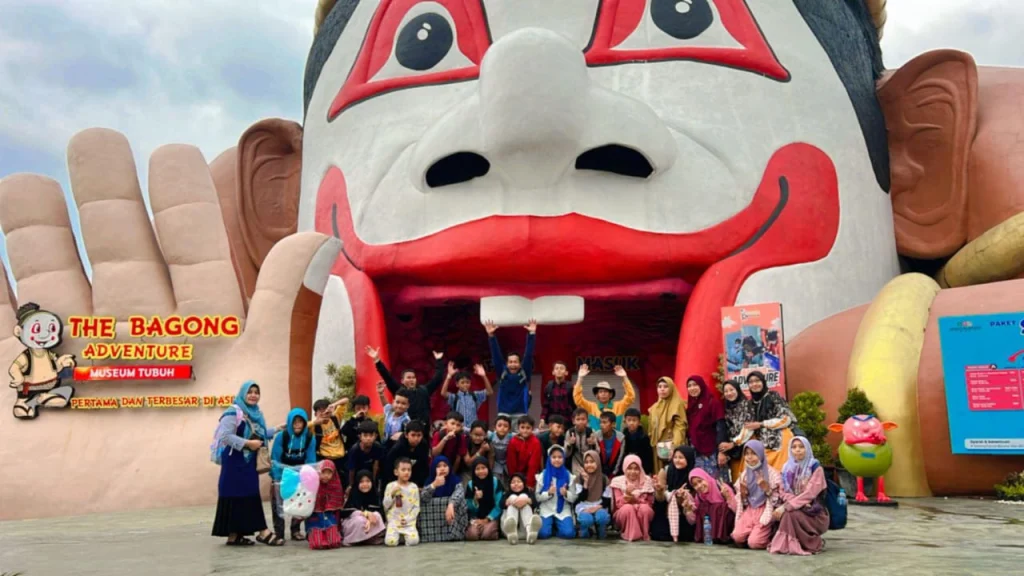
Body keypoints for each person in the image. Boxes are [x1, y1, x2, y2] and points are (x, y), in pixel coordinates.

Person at [211, 381, 283, 546]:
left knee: (245, 495)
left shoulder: (254, 413)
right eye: (250, 392)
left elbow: (260, 434)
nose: (253, 395)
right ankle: (263, 532)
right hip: (235, 464)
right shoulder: (233, 412)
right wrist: (248, 444)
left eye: (256, 392)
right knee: (244, 494)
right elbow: (225, 436)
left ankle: (234, 535)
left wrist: (277, 429)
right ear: (243, 393)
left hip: (247, 463)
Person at [769, 436, 830, 555]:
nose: (798, 450)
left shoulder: (815, 468)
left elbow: (811, 493)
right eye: (794, 447)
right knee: (788, 514)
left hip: (814, 512)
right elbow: (783, 491)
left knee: (789, 514)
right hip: (797, 507)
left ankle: (812, 543)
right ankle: (791, 544)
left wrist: (787, 506)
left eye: (801, 447)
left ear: (807, 449)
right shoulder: (787, 468)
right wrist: (791, 504)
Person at [366, 346, 446, 426]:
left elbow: (438, 378)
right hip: (405, 430)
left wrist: (439, 360)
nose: (411, 379)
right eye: (408, 377)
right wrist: (377, 361)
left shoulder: (424, 390)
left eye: (413, 377)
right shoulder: (399, 391)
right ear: (402, 381)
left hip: (423, 430)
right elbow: (387, 377)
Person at [270, 407, 317, 541]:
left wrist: (307, 478)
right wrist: (277, 479)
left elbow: (311, 459)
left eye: (300, 421)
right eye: (294, 422)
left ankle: (295, 530)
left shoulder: (309, 437)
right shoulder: (282, 437)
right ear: (290, 422)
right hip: (282, 474)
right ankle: (279, 532)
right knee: (277, 503)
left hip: (300, 474)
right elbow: (275, 458)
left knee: (301, 502)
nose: (297, 424)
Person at [485, 318, 537, 428]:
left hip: (521, 413)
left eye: (515, 362)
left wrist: (532, 333)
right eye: (510, 362)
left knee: (519, 440)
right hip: (503, 413)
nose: (513, 364)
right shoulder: (502, 373)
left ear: (520, 363)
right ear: (507, 363)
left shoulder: (524, 373)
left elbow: (528, 355)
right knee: (503, 442)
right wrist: (491, 336)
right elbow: (496, 355)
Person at [731, 440, 782, 550]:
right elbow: (744, 502)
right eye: (747, 453)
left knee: (754, 543)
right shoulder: (745, 474)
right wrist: (744, 493)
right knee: (737, 537)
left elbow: (777, 501)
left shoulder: (772, 473)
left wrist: (767, 489)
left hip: (765, 510)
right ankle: (753, 533)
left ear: (760, 454)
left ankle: (768, 535)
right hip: (750, 510)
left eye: (754, 453)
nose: (750, 457)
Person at [746, 370, 798, 470]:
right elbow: (748, 426)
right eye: (751, 382)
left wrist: (762, 424)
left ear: (763, 382)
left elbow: (786, 419)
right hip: (760, 446)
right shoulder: (749, 404)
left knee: (780, 475)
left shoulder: (773, 396)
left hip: (779, 442)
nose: (754, 384)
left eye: (757, 380)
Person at [418, 456, 468, 543]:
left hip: (450, 520)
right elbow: (423, 498)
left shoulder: (455, 480)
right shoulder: (429, 480)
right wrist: (434, 485)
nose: (442, 468)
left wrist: (451, 504)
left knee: (460, 502)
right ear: (434, 468)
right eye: (438, 466)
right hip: (432, 524)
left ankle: (455, 534)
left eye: (445, 465)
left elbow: (459, 492)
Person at [652, 445, 696, 543]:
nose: (677, 460)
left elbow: (695, 498)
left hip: (686, 511)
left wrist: (683, 497)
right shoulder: (665, 471)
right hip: (667, 510)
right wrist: (660, 491)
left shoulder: (693, 474)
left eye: (681, 458)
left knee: (686, 536)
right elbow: (660, 499)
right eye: (675, 457)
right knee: (661, 534)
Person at [685, 375, 726, 478]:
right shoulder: (690, 406)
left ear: (701, 386)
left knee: (715, 481)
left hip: (711, 450)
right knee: (700, 480)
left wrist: (722, 452)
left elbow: (720, 427)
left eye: (695, 385)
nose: (692, 388)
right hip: (696, 450)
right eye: (689, 386)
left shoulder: (712, 402)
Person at [573, 364, 636, 430]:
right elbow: (578, 399)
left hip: (615, 439)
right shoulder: (591, 407)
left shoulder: (619, 406)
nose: (603, 394)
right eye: (600, 392)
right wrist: (580, 378)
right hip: (596, 439)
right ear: (597, 395)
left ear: (610, 395)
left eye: (606, 391)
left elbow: (631, 397)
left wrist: (625, 377)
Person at [535, 445, 578, 539]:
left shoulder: (568, 475)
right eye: (554, 457)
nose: (557, 460)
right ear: (549, 459)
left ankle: (556, 529)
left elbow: (574, 498)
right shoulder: (543, 475)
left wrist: (566, 493)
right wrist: (549, 493)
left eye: (560, 457)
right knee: (543, 534)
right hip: (546, 509)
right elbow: (537, 497)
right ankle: (551, 527)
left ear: (563, 458)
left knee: (569, 534)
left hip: (563, 510)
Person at [610, 454, 655, 542]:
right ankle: (631, 535)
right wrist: (626, 494)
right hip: (623, 512)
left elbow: (650, 503)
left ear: (640, 469)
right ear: (624, 468)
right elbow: (618, 504)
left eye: (636, 468)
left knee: (645, 508)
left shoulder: (647, 480)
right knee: (628, 508)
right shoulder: (617, 481)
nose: (633, 471)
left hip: (642, 509)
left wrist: (636, 501)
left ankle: (645, 535)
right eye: (629, 468)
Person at [686, 468, 736, 544]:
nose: (699, 486)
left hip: (726, 532)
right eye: (695, 485)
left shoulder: (721, 487)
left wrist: (728, 498)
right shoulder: (699, 496)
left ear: (706, 477)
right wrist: (689, 511)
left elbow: (737, 510)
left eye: (700, 481)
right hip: (708, 537)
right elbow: (693, 521)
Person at [649, 376, 687, 473]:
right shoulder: (655, 407)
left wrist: (674, 448)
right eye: (659, 386)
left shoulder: (677, 404)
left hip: (672, 446)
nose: (662, 389)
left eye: (665, 386)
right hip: (658, 448)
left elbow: (680, 427)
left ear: (671, 388)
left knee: (673, 472)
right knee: (660, 475)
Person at [720, 381, 755, 481]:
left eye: (731, 390)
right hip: (733, 452)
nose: (729, 393)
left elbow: (748, 428)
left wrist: (734, 443)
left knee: (749, 478)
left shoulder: (747, 405)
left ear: (738, 390)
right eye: (726, 391)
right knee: (737, 480)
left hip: (746, 447)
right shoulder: (726, 408)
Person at [339, 469, 386, 546]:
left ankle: (367, 538)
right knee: (359, 520)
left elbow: (381, 513)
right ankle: (353, 540)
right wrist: (365, 514)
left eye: (368, 481)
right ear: (357, 483)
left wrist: (370, 519)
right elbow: (346, 512)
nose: (365, 484)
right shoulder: (353, 495)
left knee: (377, 516)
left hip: (368, 524)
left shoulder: (375, 495)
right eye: (361, 482)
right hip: (353, 524)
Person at [311, 397, 349, 487]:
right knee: (325, 485)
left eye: (325, 409)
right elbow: (303, 426)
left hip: (340, 458)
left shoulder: (335, 418)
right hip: (325, 459)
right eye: (320, 411)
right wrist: (316, 422)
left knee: (341, 484)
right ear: (315, 413)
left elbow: (346, 400)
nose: (324, 412)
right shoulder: (314, 426)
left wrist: (333, 405)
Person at [307, 460, 344, 550]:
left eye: (329, 473)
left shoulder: (336, 486)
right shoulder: (313, 486)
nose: (326, 476)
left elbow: (337, 508)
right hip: (315, 518)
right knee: (318, 544)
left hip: (330, 518)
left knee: (334, 542)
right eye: (323, 472)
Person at [383, 458, 421, 547]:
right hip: (394, 520)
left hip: (408, 522)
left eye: (409, 470)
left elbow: (416, 507)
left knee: (413, 541)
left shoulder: (414, 487)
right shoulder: (390, 486)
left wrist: (408, 519)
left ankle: (403, 537)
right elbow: (385, 505)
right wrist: (391, 494)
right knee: (390, 542)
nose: (406, 472)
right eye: (403, 470)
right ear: (396, 472)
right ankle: (396, 536)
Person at [574, 450, 611, 539]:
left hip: (599, 505)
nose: (589, 465)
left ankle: (601, 531)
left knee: (602, 517)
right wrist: (586, 482)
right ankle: (584, 532)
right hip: (584, 505)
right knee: (586, 519)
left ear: (597, 462)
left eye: (592, 462)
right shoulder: (579, 478)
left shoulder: (604, 479)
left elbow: (607, 500)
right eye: (586, 462)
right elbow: (580, 498)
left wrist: (596, 508)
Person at [382, 420, 430, 487]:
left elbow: (424, 467)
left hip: (414, 481)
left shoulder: (424, 445)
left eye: (419, 435)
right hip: (395, 481)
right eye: (413, 435)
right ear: (406, 435)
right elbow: (388, 469)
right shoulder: (397, 448)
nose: (416, 438)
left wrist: (419, 485)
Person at [466, 457, 504, 541]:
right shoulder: (470, 485)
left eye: (483, 468)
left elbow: (499, 505)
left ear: (488, 468)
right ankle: (480, 529)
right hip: (476, 518)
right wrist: (475, 499)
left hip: (492, 517)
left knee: (487, 534)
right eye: (477, 469)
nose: (481, 471)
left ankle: (489, 529)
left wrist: (487, 519)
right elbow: (468, 506)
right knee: (472, 535)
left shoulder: (495, 482)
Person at [501, 473, 541, 545]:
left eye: (519, 481)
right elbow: (501, 505)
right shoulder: (506, 494)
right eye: (513, 482)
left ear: (524, 483)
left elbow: (536, 504)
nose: (516, 484)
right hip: (508, 532)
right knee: (512, 497)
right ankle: (512, 531)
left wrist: (526, 500)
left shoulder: (529, 492)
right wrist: (510, 501)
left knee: (524, 498)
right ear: (509, 485)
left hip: (525, 532)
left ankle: (530, 532)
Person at [507, 415, 544, 489]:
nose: (525, 430)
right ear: (518, 428)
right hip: (516, 475)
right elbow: (511, 463)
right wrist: (514, 480)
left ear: (532, 428)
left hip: (530, 476)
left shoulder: (535, 442)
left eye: (528, 428)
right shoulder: (513, 441)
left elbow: (533, 464)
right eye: (522, 427)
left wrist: (530, 483)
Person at [347, 420, 385, 490]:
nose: (368, 438)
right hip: (357, 475)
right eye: (365, 435)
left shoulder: (377, 447)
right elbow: (352, 470)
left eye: (371, 435)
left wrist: (373, 481)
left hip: (370, 474)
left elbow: (376, 465)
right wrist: (350, 485)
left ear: (375, 436)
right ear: (360, 436)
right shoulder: (354, 450)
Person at [431, 411, 469, 475]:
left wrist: (452, 474)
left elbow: (458, 458)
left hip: (452, 467)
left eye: (458, 425)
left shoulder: (461, 438)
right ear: (446, 424)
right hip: (437, 467)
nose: (455, 427)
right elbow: (435, 453)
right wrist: (445, 438)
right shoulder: (438, 434)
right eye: (452, 423)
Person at [540, 361, 576, 428]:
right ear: (553, 372)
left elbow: (575, 405)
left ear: (566, 372)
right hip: (553, 421)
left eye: (561, 368)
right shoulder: (549, 387)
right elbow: (545, 406)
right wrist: (542, 419)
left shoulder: (571, 386)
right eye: (556, 368)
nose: (559, 370)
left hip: (568, 421)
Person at [375, 381, 411, 450]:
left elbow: (408, 435)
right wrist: (381, 394)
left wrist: (402, 435)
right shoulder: (390, 412)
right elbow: (385, 405)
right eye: (397, 402)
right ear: (393, 401)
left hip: (395, 448)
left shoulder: (406, 420)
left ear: (408, 406)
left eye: (403, 403)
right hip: (384, 445)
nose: (399, 406)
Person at [621, 407, 654, 475]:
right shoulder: (622, 437)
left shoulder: (644, 438)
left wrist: (647, 471)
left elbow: (648, 457)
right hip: (627, 470)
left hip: (641, 470)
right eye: (629, 420)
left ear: (639, 422)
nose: (631, 423)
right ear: (625, 421)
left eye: (634, 420)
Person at [565, 408, 596, 475]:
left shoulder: (591, 432)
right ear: (573, 421)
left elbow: (597, 452)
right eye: (578, 419)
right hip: (576, 461)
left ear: (587, 420)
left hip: (589, 461)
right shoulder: (570, 432)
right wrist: (570, 444)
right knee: (577, 480)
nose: (581, 422)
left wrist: (593, 444)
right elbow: (566, 454)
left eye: (583, 419)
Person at [595, 411, 626, 478]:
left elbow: (620, 459)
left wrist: (613, 475)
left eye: (604, 422)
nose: (601, 425)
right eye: (600, 422)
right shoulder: (596, 436)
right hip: (599, 474)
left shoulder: (620, 438)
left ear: (613, 424)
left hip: (616, 474)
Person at [489, 414, 513, 481]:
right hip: (496, 462)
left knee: (508, 480)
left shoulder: (511, 437)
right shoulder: (491, 435)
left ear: (509, 429)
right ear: (494, 428)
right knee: (496, 480)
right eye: (499, 425)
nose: (502, 428)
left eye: (505, 426)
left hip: (507, 463)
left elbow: (522, 433)